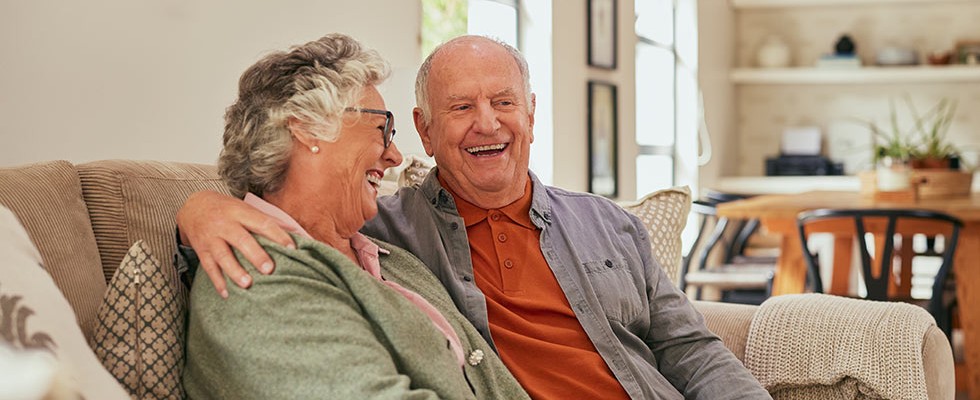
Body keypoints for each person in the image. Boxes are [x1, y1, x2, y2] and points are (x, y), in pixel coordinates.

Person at [178, 35, 771, 399]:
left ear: (531, 114)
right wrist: (200, 209)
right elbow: (279, 227)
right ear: (426, 130)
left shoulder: (609, 225)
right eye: (461, 107)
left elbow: (692, 349)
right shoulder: (384, 234)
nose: (487, 123)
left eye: (504, 102)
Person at [179, 33, 529, 400]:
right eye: (382, 129)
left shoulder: (391, 258)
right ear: (306, 128)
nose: (395, 156)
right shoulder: (253, 274)